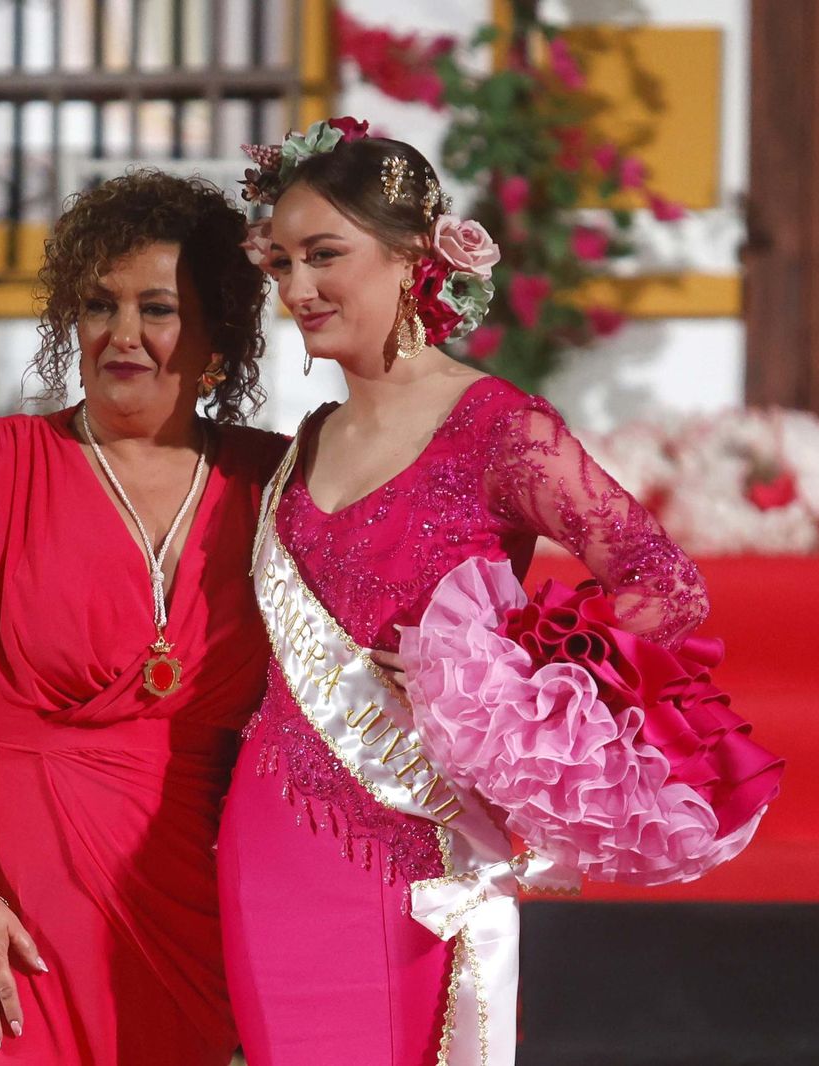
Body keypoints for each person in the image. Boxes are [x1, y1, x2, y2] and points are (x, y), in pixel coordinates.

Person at [218, 120, 716, 1064]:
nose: (297, 289)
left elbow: (665, 587)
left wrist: (508, 676)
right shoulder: (308, 440)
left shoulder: (498, 428)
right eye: (281, 263)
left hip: (415, 835)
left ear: (412, 258)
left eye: (325, 255)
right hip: (271, 834)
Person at [0, 170, 284, 1062]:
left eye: (158, 309)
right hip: (3, 908)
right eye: (100, 304)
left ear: (220, 329)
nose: (124, 334)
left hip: (192, 908)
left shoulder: (278, 482)